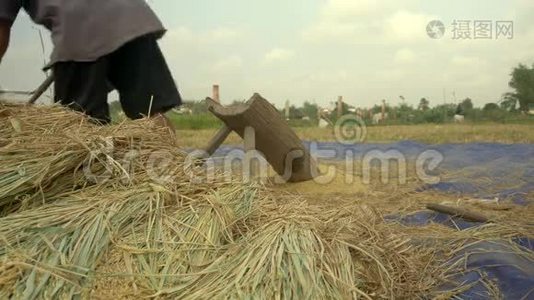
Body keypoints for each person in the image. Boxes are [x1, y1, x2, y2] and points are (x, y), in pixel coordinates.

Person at [0, 0, 181, 132]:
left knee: (80, 129)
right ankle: (174, 176)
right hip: (132, 13)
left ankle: (88, 181)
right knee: (151, 115)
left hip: (79, 22)